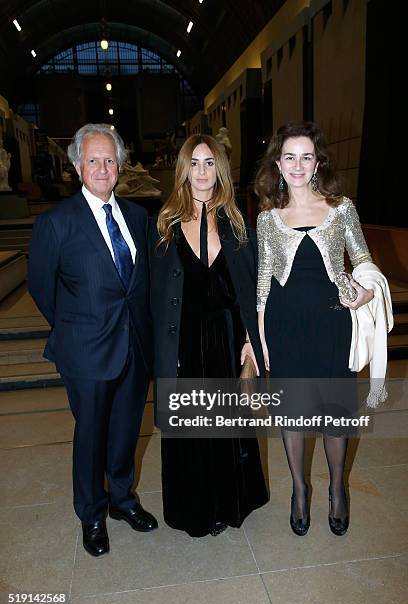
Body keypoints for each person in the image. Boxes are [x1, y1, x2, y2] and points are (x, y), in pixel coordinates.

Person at [255, 121, 391, 537]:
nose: (298, 165)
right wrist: (261, 342)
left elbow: (364, 261)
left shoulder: (341, 208)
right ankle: (299, 490)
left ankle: (336, 489)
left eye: (306, 156)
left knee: (336, 416)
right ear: (278, 164)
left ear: (318, 163)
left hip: (333, 324)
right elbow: (262, 283)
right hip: (285, 326)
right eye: (289, 157)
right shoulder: (268, 218)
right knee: (292, 417)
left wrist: (363, 296)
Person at [28, 124, 157, 557]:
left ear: (119, 165)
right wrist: (75, 329)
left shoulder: (140, 218)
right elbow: (42, 288)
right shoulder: (56, 223)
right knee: (90, 436)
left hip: (135, 348)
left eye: (109, 160)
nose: (102, 168)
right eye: (93, 160)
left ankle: (121, 500)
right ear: (77, 167)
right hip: (86, 352)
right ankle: (92, 514)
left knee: (125, 431)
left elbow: (143, 286)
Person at [149, 134, 268, 537]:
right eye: (194, 163)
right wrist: (164, 349)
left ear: (221, 169)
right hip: (183, 343)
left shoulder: (238, 225)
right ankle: (195, 509)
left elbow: (252, 289)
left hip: (227, 339)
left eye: (209, 163)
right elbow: (155, 293)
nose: (202, 172)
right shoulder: (164, 225)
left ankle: (230, 503)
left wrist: (252, 341)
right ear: (183, 169)